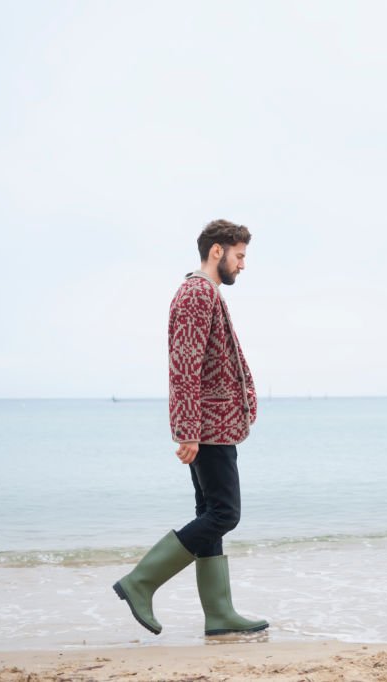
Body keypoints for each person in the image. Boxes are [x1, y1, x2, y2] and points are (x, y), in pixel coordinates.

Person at [112, 219, 268, 636]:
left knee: (210, 513)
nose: (243, 265)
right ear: (217, 251)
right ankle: (140, 582)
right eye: (240, 256)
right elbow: (185, 368)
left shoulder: (205, 294)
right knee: (225, 513)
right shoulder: (197, 294)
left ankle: (219, 613)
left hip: (215, 425)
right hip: (208, 427)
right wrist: (187, 431)